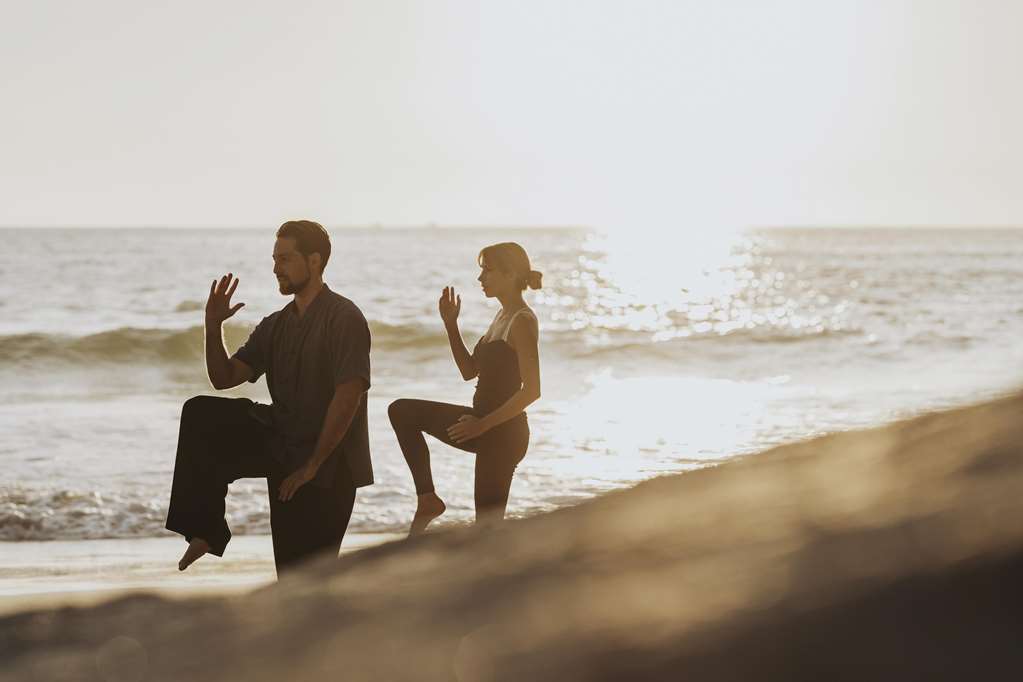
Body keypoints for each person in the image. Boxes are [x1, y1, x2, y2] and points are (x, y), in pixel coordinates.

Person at [165, 220, 372, 575]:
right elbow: (224, 378)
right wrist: (213, 326)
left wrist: (312, 466)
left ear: (315, 261)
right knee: (200, 413)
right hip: (284, 449)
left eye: (286, 259)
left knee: (304, 580)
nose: (276, 268)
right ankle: (206, 529)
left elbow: (348, 396)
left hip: (329, 469)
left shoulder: (344, 317)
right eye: (274, 259)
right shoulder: (274, 325)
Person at [388, 242, 542, 536]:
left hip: (504, 434)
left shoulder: (522, 321)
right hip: (478, 422)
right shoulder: (501, 317)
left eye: (488, 270)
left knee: (487, 528)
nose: (481, 278)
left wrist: (483, 426)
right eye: (481, 271)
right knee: (402, 411)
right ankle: (427, 499)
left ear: (510, 275)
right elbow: (469, 371)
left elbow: (532, 390)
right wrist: (450, 324)